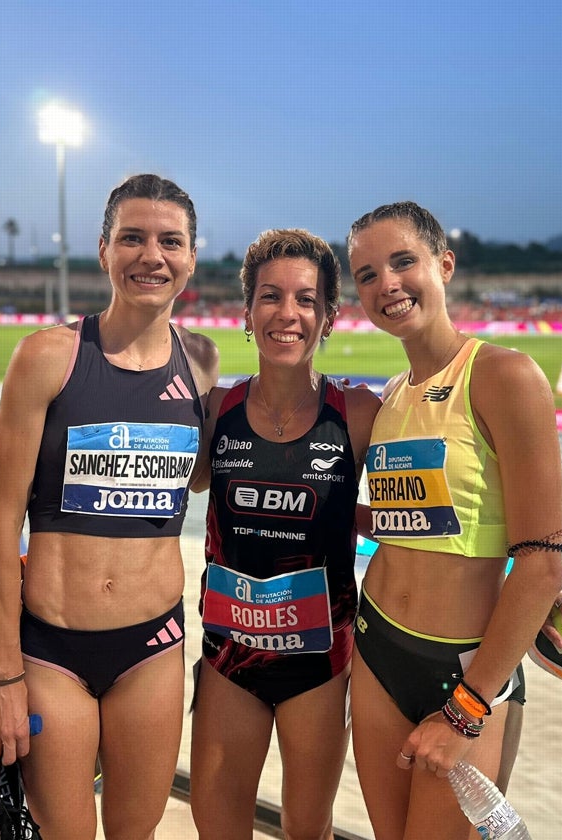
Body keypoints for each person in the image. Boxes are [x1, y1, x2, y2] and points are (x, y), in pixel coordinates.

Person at [0, 173, 219, 840]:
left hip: (153, 647)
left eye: (171, 241)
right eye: (133, 238)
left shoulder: (201, 362)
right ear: (103, 248)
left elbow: (195, 478)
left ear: (192, 255)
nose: (152, 255)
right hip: (52, 651)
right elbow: (1, 520)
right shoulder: (48, 356)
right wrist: (3, 677)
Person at [345, 201, 562, 840]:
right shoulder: (389, 397)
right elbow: (409, 521)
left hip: (467, 673)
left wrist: (467, 708)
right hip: (377, 645)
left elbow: (542, 560)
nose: (385, 283)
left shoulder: (504, 375)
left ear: (444, 265)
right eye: (366, 275)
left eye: (402, 261)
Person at [188, 229, 381, 840]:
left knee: (307, 829)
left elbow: (427, 513)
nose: (287, 314)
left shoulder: (358, 415)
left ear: (327, 317)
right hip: (228, 659)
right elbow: (147, 500)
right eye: (271, 297)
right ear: (247, 312)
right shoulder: (217, 409)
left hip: (319, 665)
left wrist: (532, 562)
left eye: (306, 299)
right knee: (215, 823)